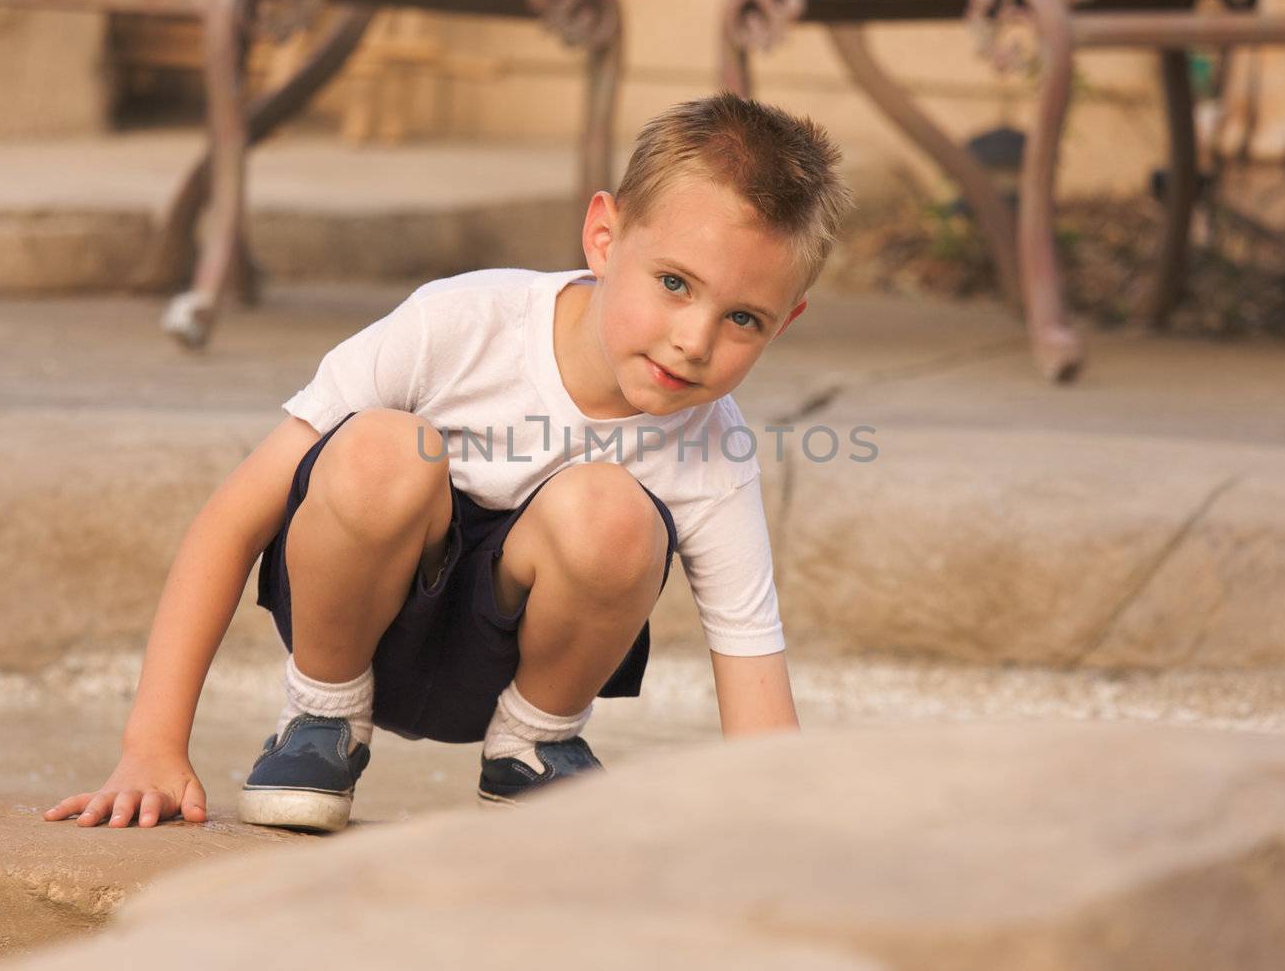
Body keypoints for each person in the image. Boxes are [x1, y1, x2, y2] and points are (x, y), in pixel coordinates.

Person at [44, 92, 852, 832]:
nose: (694, 339)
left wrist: (784, 839)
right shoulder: (457, 325)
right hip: (357, 629)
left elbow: (752, 666)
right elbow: (231, 521)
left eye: (742, 317)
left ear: (785, 324)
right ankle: (318, 723)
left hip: (508, 678)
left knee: (612, 510)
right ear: (603, 237)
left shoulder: (714, 444)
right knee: (380, 447)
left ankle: (533, 752)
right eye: (674, 282)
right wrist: (151, 742)